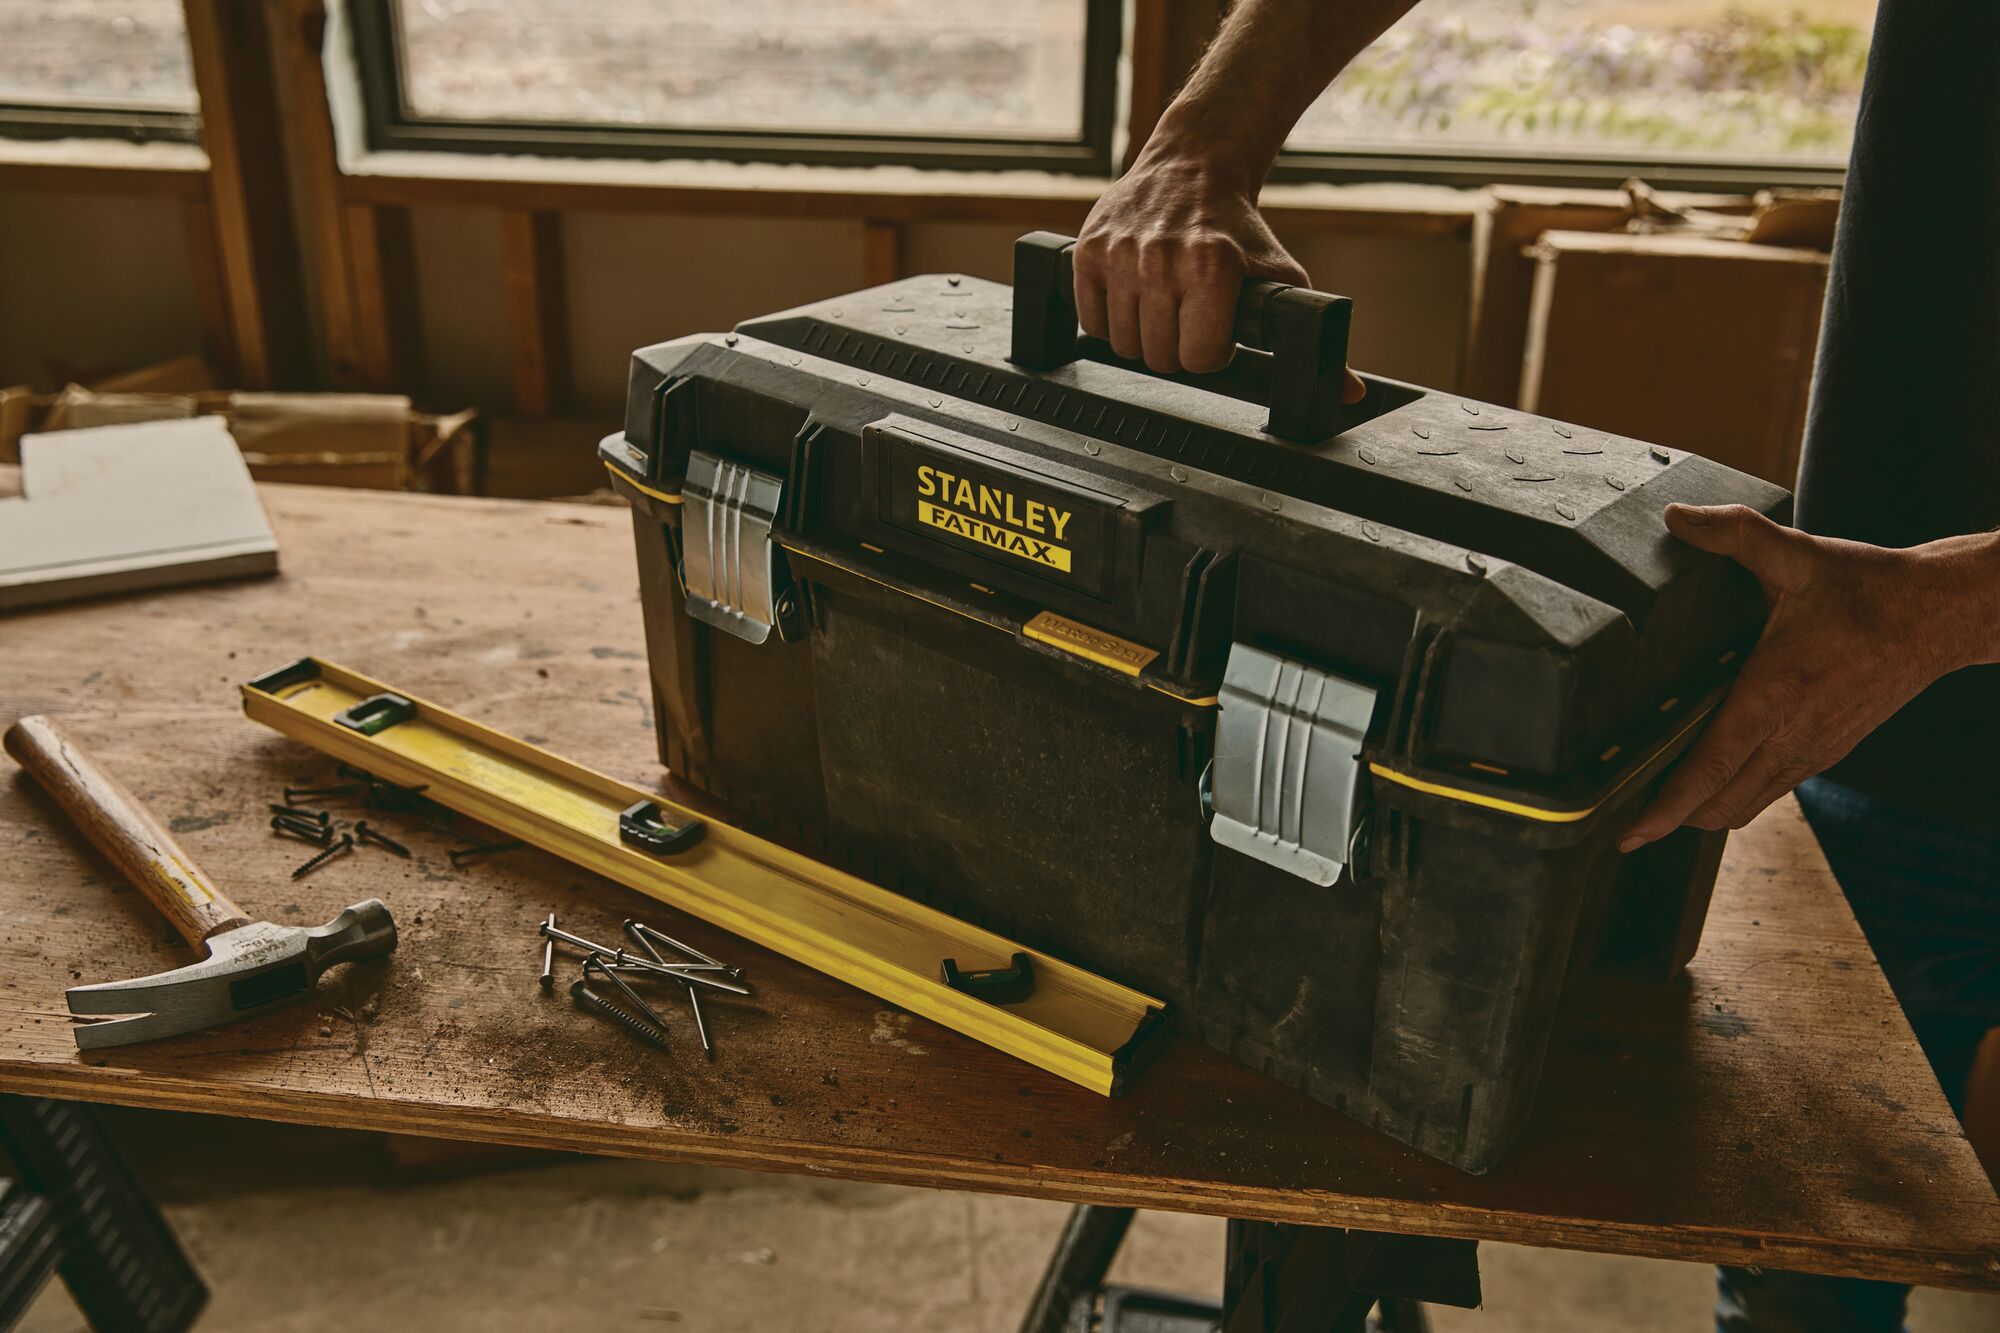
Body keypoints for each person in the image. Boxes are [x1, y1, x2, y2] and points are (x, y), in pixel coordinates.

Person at [1075, 1, 2000, 1329]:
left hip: (1903, 653)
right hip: (1896, 726)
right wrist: (1204, 137)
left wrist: (1936, 613)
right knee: (1816, 1265)